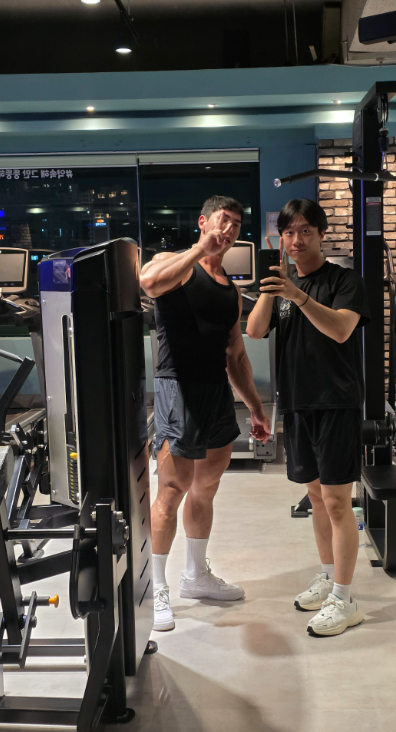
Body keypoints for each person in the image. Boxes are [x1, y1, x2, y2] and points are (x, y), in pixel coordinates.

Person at [140, 195, 271, 632]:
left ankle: (195, 576)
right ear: (203, 221)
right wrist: (200, 249)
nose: (229, 230)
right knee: (171, 490)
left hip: (216, 393)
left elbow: (236, 355)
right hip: (177, 387)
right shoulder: (175, 263)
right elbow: (148, 282)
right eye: (223, 220)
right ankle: (156, 587)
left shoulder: (231, 291)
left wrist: (255, 408)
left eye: (236, 224)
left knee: (206, 487)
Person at [247, 198, 370, 637]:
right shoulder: (282, 286)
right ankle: (329, 577)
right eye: (289, 232)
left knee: (337, 501)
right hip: (298, 403)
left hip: (336, 403)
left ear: (321, 235)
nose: (296, 240)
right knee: (316, 498)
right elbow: (254, 330)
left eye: (305, 231)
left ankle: (345, 599)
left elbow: (340, 329)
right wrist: (273, 288)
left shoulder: (344, 280)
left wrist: (298, 296)